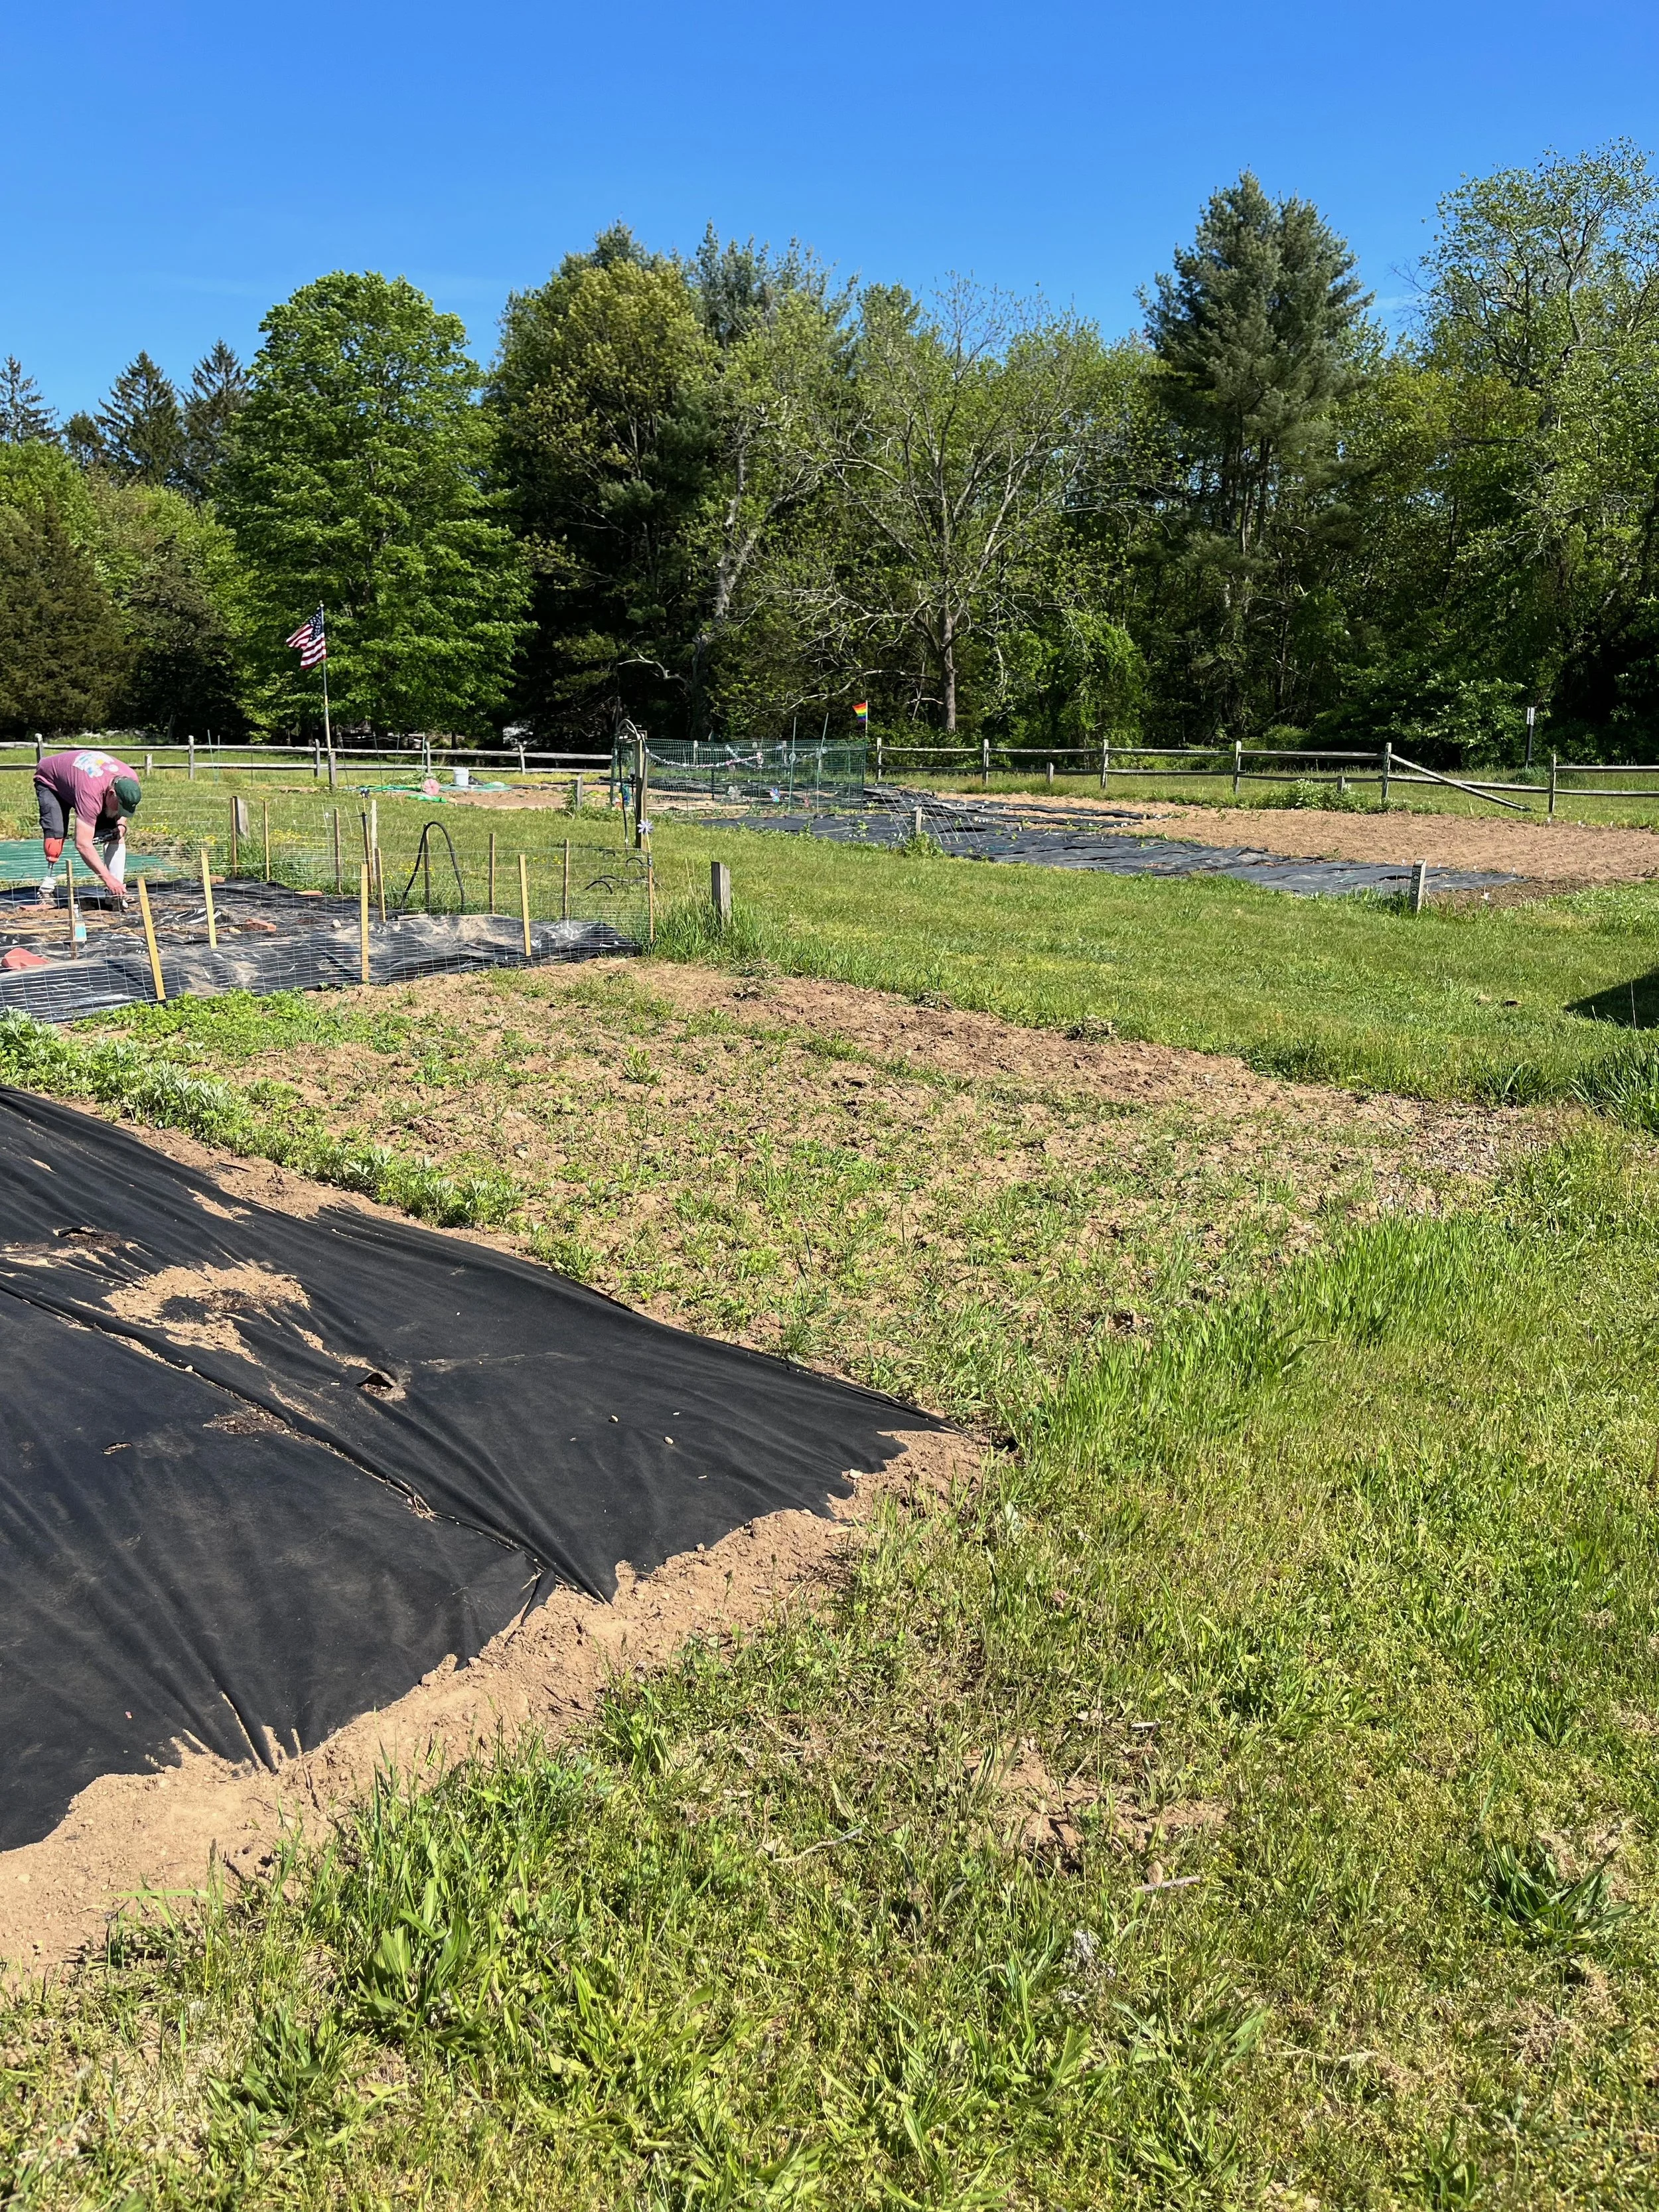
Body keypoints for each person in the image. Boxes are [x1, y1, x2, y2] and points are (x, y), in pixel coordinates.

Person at [33, 747, 142, 907]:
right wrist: (107, 879)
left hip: (80, 781)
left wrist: (121, 825)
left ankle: (116, 894)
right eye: (120, 807)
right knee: (56, 836)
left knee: (115, 834)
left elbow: (124, 809)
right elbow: (83, 844)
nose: (121, 812)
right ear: (111, 793)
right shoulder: (91, 793)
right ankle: (46, 889)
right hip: (51, 781)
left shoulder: (131, 781)